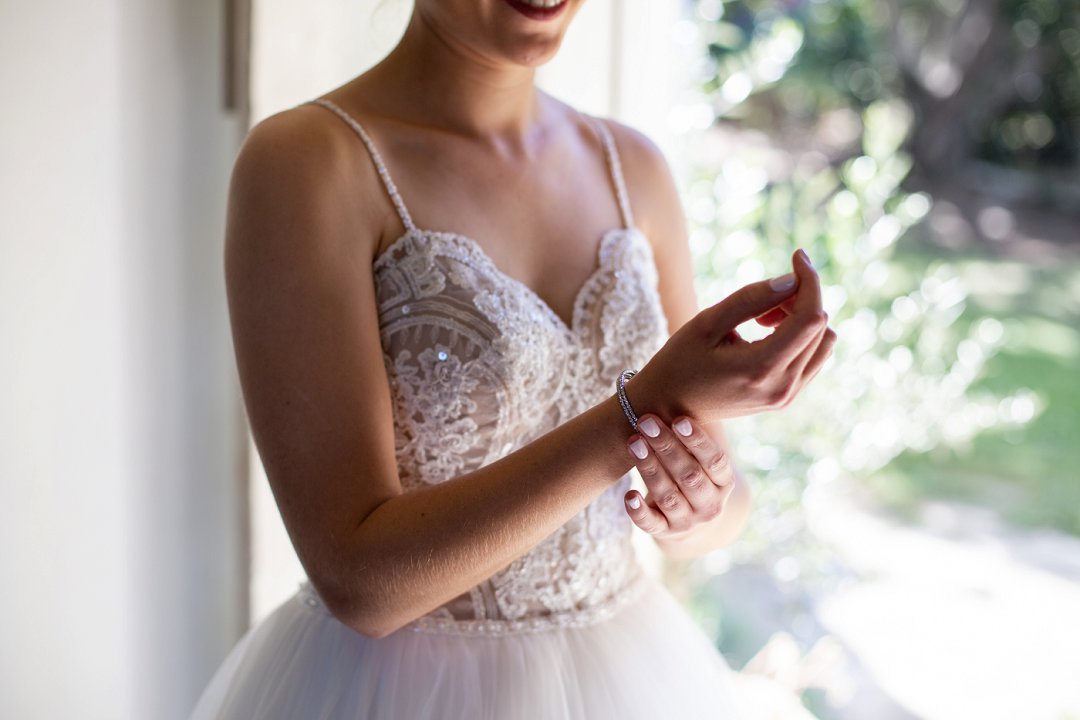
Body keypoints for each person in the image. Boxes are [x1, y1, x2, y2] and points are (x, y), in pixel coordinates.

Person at [190, 0, 835, 717]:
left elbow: (723, 504)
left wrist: (698, 503)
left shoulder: (634, 168)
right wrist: (640, 409)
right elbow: (360, 585)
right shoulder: (308, 162)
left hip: (628, 674)